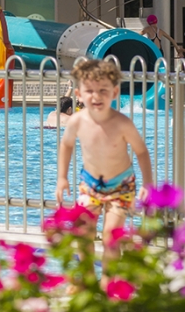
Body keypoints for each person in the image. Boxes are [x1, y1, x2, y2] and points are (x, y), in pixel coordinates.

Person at [56, 59, 153, 288]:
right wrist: (62, 177)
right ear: (79, 94)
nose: (96, 96)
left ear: (115, 92)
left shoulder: (122, 123)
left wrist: (147, 183)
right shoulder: (77, 121)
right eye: (90, 91)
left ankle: (108, 282)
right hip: (90, 185)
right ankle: (87, 279)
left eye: (103, 90)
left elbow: (141, 152)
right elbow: (66, 145)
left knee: (111, 236)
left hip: (121, 185)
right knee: (83, 231)